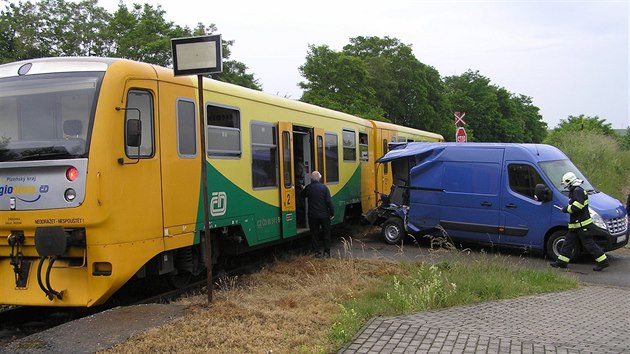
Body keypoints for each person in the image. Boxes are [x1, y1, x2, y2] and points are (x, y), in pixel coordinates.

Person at [550, 171, 610, 271]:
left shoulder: (578, 191)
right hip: (576, 225)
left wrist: (565, 209)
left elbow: (578, 206)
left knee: (589, 244)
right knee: (568, 243)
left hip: (582, 226)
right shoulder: (577, 191)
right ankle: (561, 263)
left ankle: (603, 262)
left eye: (566, 185)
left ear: (570, 183)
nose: (566, 187)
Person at [301, 170, 334, 258]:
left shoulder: (309, 188)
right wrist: (332, 213)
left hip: (313, 216)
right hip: (324, 216)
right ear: (320, 178)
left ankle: (317, 252)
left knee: (314, 234)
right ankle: (326, 252)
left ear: (311, 178)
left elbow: (302, 195)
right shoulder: (324, 188)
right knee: (326, 233)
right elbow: (329, 202)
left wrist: (303, 188)